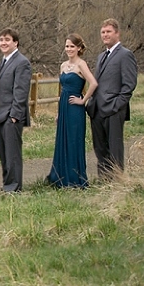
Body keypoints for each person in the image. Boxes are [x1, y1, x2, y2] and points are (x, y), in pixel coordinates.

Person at [86, 18, 138, 179]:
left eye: (109, 31)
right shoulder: (101, 56)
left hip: (114, 109)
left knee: (114, 147)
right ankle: (104, 179)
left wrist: (117, 105)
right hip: (97, 110)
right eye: (103, 32)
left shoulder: (125, 55)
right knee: (100, 148)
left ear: (117, 33)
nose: (105, 35)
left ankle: (117, 180)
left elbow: (129, 85)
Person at [47, 34, 97, 188]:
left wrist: (83, 100)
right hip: (64, 106)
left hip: (75, 108)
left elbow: (94, 83)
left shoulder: (81, 65)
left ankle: (75, 178)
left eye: (72, 46)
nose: (69, 49)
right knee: (62, 140)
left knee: (74, 140)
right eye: (67, 46)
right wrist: (58, 112)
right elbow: (61, 89)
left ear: (79, 48)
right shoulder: (63, 65)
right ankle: (60, 176)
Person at [0, 29, 32, 193]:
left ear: (16, 42)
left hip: (11, 115)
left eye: (7, 39)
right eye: (1, 40)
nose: (3, 43)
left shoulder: (22, 62)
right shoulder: (4, 61)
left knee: (12, 153)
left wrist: (15, 115)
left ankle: (14, 187)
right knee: (3, 153)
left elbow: (21, 91)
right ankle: (7, 184)